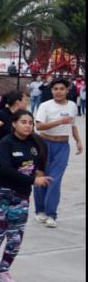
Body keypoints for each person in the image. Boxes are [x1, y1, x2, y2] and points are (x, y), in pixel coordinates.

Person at [0, 110, 50, 282]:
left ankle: (3, 271)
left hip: (21, 195)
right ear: (14, 124)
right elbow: (4, 169)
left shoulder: (36, 143)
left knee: (16, 237)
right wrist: (33, 180)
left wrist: (40, 176)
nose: (28, 125)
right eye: (23, 122)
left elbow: (39, 166)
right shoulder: (6, 143)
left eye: (30, 122)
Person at [33, 78, 83, 228]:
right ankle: (40, 210)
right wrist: (59, 121)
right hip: (44, 144)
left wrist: (78, 140)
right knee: (41, 176)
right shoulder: (45, 106)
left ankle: (51, 213)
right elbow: (39, 126)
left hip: (62, 146)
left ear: (67, 90)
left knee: (55, 179)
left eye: (62, 88)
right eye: (55, 89)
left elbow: (73, 125)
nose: (58, 91)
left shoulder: (73, 106)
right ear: (51, 90)